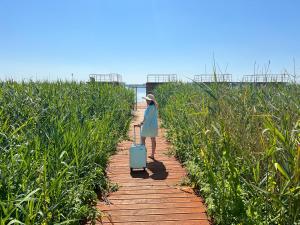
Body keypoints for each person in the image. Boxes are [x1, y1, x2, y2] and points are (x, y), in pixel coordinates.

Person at [137, 94, 158, 159]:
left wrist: (142, 123)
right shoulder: (155, 107)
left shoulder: (150, 107)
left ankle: (144, 153)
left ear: (151, 101)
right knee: (153, 139)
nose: (146, 101)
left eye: (148, 100)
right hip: (153, 125)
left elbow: (146, 117)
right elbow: (156, 105)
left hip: (147, 125)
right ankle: (152, 154)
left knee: (143, 138)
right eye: (146, 100)